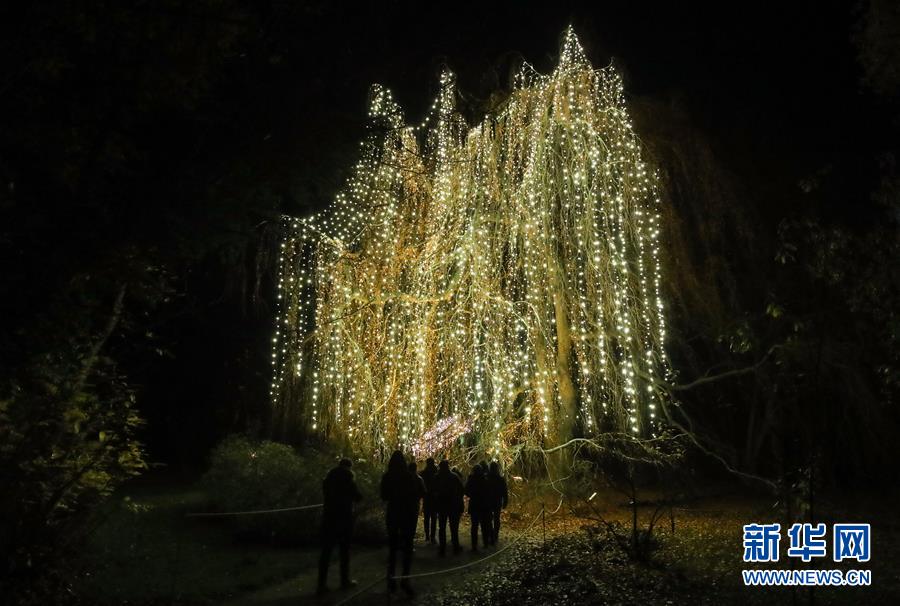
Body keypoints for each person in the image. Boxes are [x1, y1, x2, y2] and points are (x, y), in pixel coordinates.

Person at [317, 458, 362, 595]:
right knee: (344, 551)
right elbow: (358, 497)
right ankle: (344, 580)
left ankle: (321, 584)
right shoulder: (348, 479)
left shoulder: (328, 479)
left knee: (326, 552)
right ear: (349, 467)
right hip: (344, 519)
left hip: (329, 518)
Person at [381, 450, 422, 596]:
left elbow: (383, 496)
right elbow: (415, 494)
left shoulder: (387, 476)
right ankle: (405, 579)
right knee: (407, 547)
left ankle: (391, 578)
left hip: (393, 513)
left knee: (392, 548)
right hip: (406, 515)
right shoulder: (408, 476)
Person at [432, 459, 464, 556]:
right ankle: (455, 547)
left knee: (442, 527)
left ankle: (442, 549)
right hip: (452, 504)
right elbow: (461, 490)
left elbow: (433, 490)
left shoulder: (437, 477)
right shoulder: (454, 477)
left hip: (442, 505)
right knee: (453, 527)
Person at [464, 464, 491, 551]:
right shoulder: (485, 479)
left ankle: (474, 545)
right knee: (484, 525)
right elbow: (489, 492)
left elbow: (466, 491)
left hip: (475, 504)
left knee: (474, 526)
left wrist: (472, 495)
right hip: (483, 505)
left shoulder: (471, 480)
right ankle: (485, 543)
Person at [485, 460, 509, 545]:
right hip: (497, 501)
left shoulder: (486, 478)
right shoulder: (500, 479)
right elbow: (505, 492)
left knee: (489, 519)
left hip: (489, 502)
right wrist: (505, 501)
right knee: (496, 519)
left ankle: (491, 534)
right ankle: (495, 535)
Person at [420, 457, 438, 543]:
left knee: (427, 518)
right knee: (433, 518)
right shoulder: (437, 472)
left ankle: (427, 536)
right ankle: (432, 536)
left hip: (427, 497)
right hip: (434, 498)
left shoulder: (423, 473)